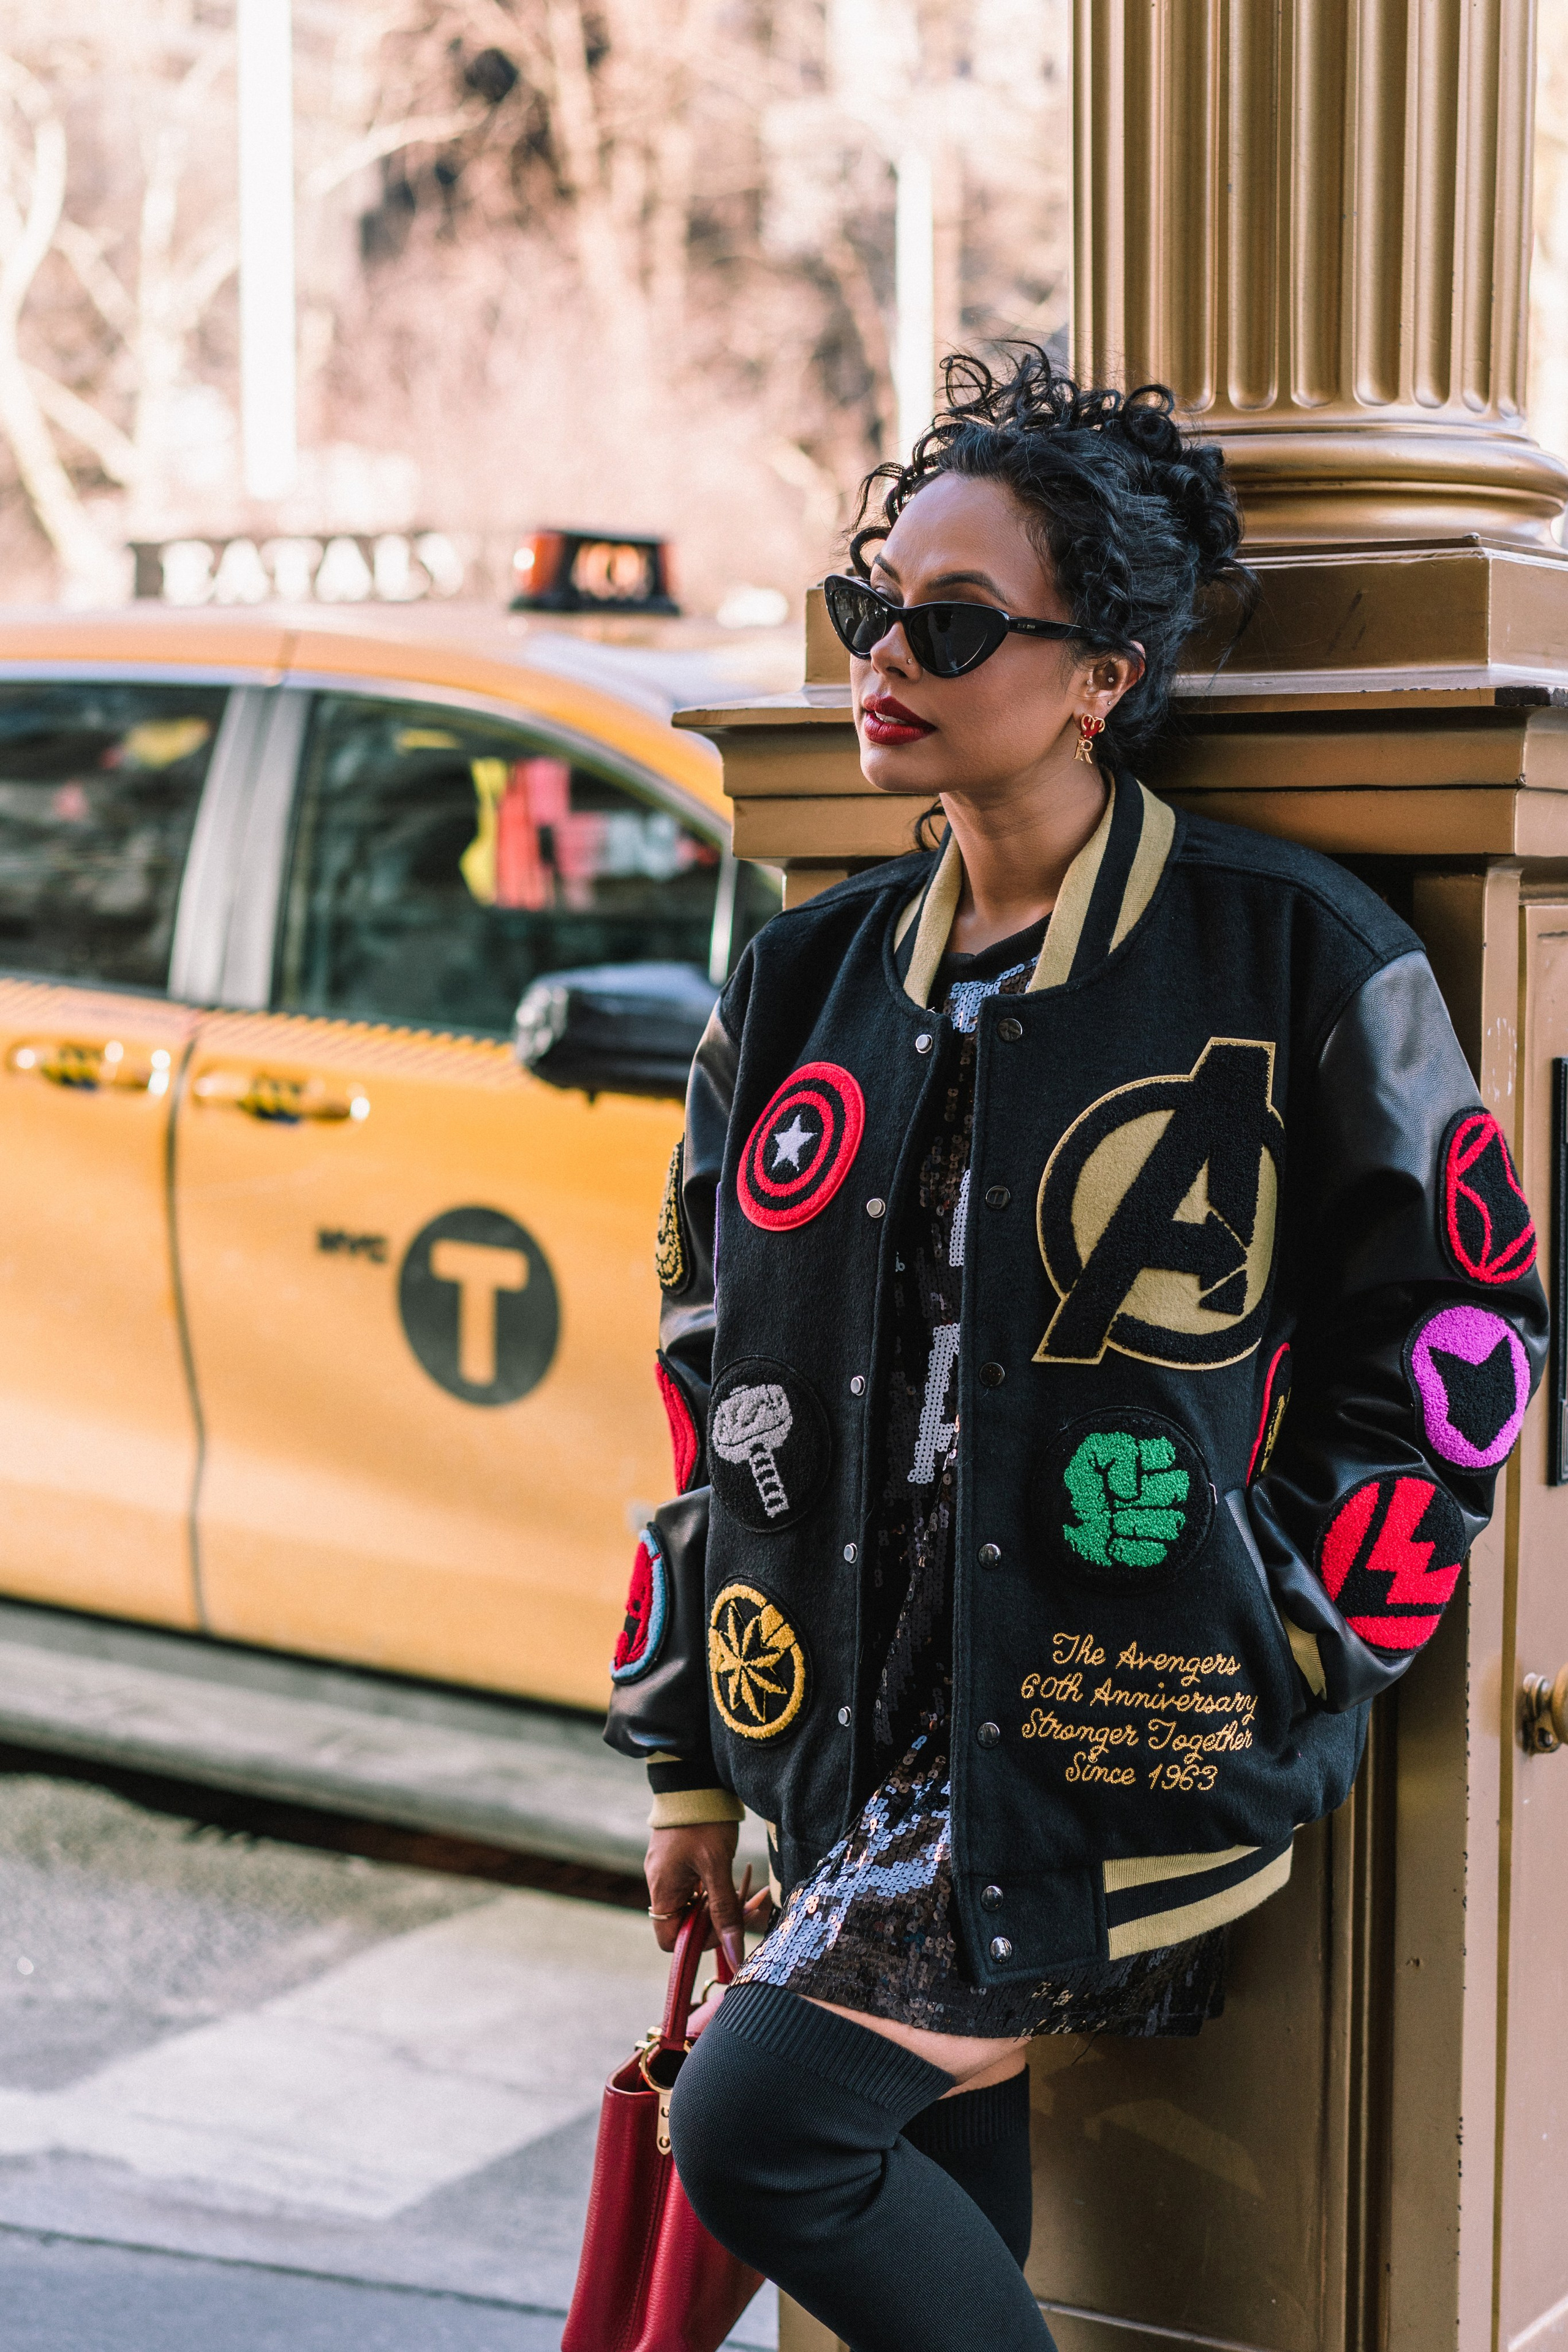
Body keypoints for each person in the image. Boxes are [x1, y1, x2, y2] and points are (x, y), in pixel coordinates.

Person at [604, 345, 1548, 2352]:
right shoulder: (803, 981)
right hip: (848, 1732)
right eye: (878, 610)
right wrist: (690, 1754)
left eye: (952, 624)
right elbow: (709, 1371)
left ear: (1103, 668)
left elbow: (1471, 1326)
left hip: (1119, 1727)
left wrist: (1293, 1612)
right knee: (927, 2183)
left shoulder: (1289, 952)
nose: (888, 657)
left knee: (762, 2129)